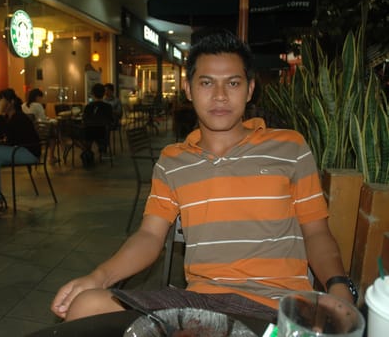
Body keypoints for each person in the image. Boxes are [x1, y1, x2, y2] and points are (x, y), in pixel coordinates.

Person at [51, 30, 354, 322]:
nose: (220, 96)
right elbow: (149, 236)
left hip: (276, 305)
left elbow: (316, 232)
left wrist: (338, 284)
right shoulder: (173, 160)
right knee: (87, 305)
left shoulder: (289, 147)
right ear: (188, 89)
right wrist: (98, 277)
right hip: (199, 305)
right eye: (207, 83)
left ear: (249, 89)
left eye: (233, 83)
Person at [0, 88, 41, 210]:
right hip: (19, 150)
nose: (0, 104)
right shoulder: (10, 117)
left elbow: (1, 135)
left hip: (28, 152)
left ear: (11, 102)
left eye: (2, 101)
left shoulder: (18, 117)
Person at [22, 88, 59, 164]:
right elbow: (43, 120)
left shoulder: (23, 105)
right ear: (37, 97)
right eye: (40, 97)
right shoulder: (38, 105)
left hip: (25, 132)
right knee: (53, 135)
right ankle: (51, 157)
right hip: (37, 132)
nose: (41, 99)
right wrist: (50, 120)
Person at [81, 83, 113, 165]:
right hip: (103, 133)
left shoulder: (88, 106)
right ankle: (102, 149)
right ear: (103, 93)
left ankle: (87, 152)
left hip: (89, 134)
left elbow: (84, 120)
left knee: (81, 135)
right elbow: (111, 120)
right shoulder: (108, 107)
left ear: (93, 94)